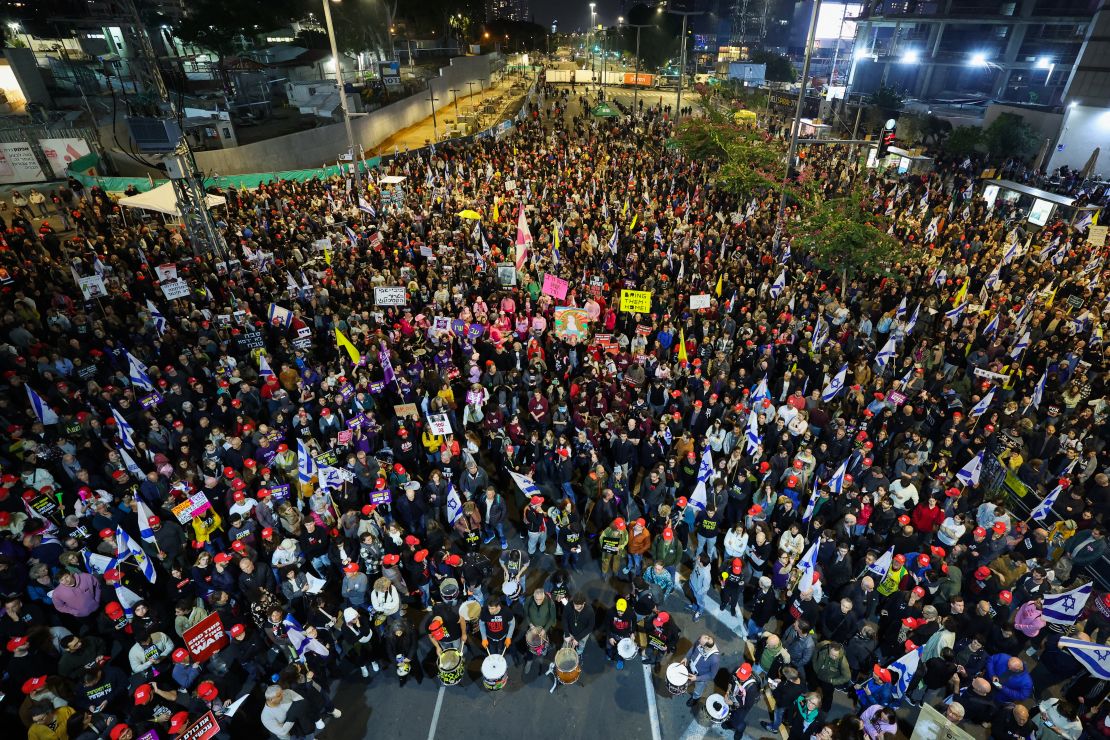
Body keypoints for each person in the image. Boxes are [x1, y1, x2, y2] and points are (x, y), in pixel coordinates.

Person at [724, 662, 760, 739]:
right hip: (733, 696)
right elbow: (730, 682)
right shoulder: (736, 671)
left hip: (742, 706)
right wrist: (727, 692)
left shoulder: (752, 688)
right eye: (739, 676)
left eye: (743, 677)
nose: (740, 678)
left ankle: (739, 731)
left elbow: (747, 705)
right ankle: (731, 724)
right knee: (730, 714)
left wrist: (733, 703)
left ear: (749, 675)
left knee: (738, 721)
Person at [683, 634, 720, 707]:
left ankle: (695, 698)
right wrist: (686, 657)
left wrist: (697, 678)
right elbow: (693, 647)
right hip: (690, 666)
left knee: (698, 689)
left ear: (705, 647)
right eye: (700, 639)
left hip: (700, 677)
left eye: (700, 642)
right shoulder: (702, 639)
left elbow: (712, 675)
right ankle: (687, 684)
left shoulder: (715, 659)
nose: (698, 641)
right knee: (686, 678)